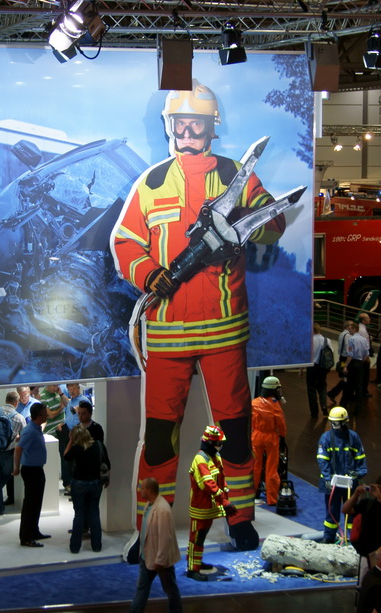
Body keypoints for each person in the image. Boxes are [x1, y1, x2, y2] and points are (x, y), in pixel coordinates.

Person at [110, 79, 286, 551]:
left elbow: (273, 223)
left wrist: (251, 222)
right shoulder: (150, 183)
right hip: (167, 332)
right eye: (180, 123)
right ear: (169, 126)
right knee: (159, 439)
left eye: (197, 124)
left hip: (225, 333)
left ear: (212, 127)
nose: (188, 132)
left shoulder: (235, 175)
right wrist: (149, 274)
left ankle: (241, 519)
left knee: (236, 433)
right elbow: (125, 242)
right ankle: (150, 527)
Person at [112, 477, 183, 613]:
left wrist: (160, 560)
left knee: (170, 589)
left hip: (159, 559)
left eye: (142, 488)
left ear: (149, 491)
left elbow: (165, 538)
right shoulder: (149, 505)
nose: (140, 490)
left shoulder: (162, 510)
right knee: (142, 588)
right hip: (148, 556)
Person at [186, 425, 237, 581]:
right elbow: (208, 484)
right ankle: (192, 569)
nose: (220, 446)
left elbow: (221, 479)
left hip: (209, 506)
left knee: (201, 536)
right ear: (209, 443)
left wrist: (224, 501)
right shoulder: (200, 459)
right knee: (196, 538)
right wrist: (224, 501)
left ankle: (197, 562)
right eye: (218, 443)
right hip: (200, 507)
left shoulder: (215, 456)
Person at [317, 406, 367, 544]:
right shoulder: (326, 438)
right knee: (331, 512)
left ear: (345, 422)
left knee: (351, 512)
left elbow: (360, 458)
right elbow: (322, 460)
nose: (334, 426)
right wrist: (328, 479)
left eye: (337, 423)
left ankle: (353, 539)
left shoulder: (353, 437)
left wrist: (359, 473)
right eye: (332, 423)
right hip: (332, 484)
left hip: (349, 484)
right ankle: (329, 537)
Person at [342, 473, 381, 574]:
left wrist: (380, 498)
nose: (380, 491)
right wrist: (356, 494)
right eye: (378, 487)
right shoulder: (367, 503)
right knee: (365, 581)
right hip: (367, 553)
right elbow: (345, 509)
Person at [64, 424, 109, 554]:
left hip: (79, 484)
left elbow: (66, 456)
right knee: (94, 513)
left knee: (79, 514)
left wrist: (71, 441)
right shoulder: (99, 445)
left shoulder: (77, 448)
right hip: (96, 483)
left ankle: (75, 547)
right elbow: (107, 463)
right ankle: (96, 546)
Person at [14, 402, 48, 547]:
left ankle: (34, 530)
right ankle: (26, 536)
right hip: (31, 471)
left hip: (37, 469)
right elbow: (18, 448)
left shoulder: (36, 429)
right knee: (30, 504)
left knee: (36, 502)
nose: (47, 415)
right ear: (39, 416)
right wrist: (16, 468)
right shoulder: (30, 431)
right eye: (45, 414)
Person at [251, 375, 287, 505]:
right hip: (271, 438)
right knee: (272, 468)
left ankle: (251, 495)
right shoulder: (275, 405)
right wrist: (282, 437)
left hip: (256, 436)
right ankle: (272, 499)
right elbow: (281, 424)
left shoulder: (254, 403)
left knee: (255, 466)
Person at [343, 321, 371, 415]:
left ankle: (344, 405)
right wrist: (361, 362)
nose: (349, 330)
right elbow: (366, 354)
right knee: (359, 385)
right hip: (360, 363)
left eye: (350, 329)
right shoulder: (364, 340)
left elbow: (350, 354)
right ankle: (359, 407)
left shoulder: (351, 339)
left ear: (354, 329)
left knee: (349, 385)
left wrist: (345, 366)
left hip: (353, 363)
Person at [327, 321, 354, 406]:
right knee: (346, 378)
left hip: (342, 358)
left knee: (344, 377)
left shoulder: (342, 334)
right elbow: (348, 347)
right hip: (345, 359)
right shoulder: (348, 336)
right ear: (348, 327)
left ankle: (334, 393)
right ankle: (333, 393)